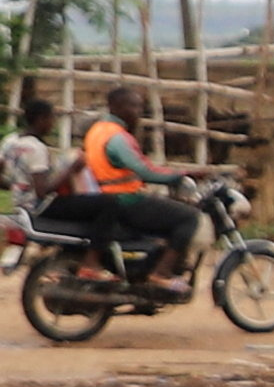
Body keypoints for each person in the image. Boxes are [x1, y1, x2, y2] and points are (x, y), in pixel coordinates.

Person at [52, 86, 201, 277]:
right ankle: (161, 272)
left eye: (140, 107)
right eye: (133, 106)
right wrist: (179, 175)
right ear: (116, 107)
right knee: (189, 217)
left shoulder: (96, 131)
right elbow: (144, 171)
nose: (138, 112)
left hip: (108, 197)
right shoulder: (117, 137)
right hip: (126, 200)